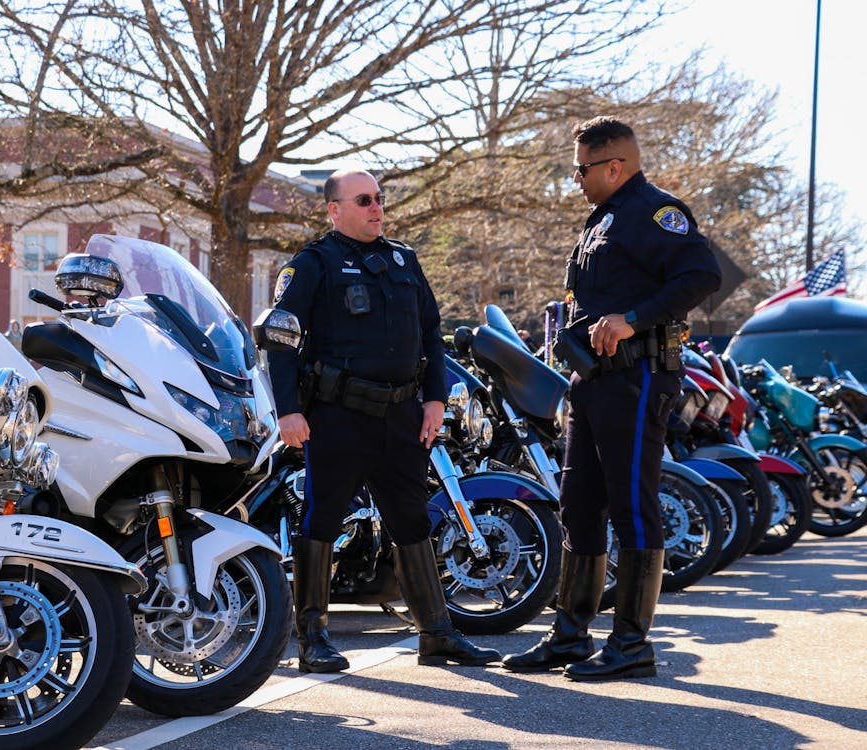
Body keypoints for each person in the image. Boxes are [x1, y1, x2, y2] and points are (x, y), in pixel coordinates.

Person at [503, 116, 721, 681]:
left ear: (614, 166)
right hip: (593, 381)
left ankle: (631, 644)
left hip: (638, 375)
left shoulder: (654, 212)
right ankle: (571, 636)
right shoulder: (603, 220)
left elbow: (702, 275)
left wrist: (632, 320)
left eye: (581, 168)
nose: (574, 178)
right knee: (578, 507)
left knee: (631, 505)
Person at [266, 168, 499, 673]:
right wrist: (289, 409)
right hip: (337, 415)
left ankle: (436, 635)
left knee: (411, 520)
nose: (377, 207)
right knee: (322, 517)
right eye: (365, 199)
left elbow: (431, 332)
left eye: (380, 199)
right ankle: (313, 638)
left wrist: (436, 399)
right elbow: (280, 339)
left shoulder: (404, 260)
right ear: (334, 209)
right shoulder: (313, 264)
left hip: (401, 415)